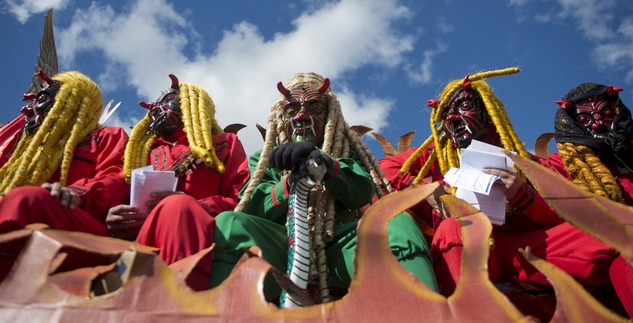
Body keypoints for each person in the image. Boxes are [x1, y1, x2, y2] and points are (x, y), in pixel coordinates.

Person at [210, 72, 438, 305]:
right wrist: (288, 185)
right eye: (291, 110)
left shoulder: (346, 152)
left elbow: (361, 192)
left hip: (339, 245)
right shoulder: (265, 158)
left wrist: (326, 165)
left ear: (330, 114)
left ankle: (427, 311)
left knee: (397, 225)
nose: (301, 116)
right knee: (229, 224)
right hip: (278, 244)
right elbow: (252, 207)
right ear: (280, 118)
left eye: (314, 107)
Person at [380, 67, 568, 296]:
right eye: (445, 113)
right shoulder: (435, 154)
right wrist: (425, 190)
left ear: (489, 112)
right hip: (462, 246)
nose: (451, 117)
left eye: (464, 107)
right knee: (454, 227)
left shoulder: (522, 160)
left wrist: (521, 193)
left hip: (521, 248)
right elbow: (385, 167)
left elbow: (562, 212)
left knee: (609, 233)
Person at [105, 74, 249, 291]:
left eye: (167, 100)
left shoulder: (223, 144)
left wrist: (193, 206)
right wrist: (112, 215)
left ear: (193, 106)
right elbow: (113, 189)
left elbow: (242, 198)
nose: (155, 107)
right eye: (155, 104)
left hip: (197, 238)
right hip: (139, 242)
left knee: (178, 207)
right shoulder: (138, 152)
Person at [0, 70, 130, 278]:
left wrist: (77, 194)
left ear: (73, 102)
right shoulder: (27, 149)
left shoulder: (107, 137)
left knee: (27, 200)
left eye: (44, 99)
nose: (32, 108)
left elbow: (116, 178)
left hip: (83, 229)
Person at [542, 83, 633, 319]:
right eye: (585, 118)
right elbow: (543, 198)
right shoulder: (561, 166)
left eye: (606, 114)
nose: (598, 124)